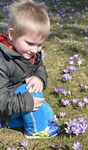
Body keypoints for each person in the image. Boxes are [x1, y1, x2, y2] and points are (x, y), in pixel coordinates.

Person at [0, 0, 60, 138]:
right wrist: (26, 102)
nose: (35, 50)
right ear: (12, 34)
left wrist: (39, 77)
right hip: (4, 106)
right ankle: (35, 130)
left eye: (40, 45)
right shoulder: (2, 61)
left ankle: (15, 120)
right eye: (30, 43)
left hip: (16, 100)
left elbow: (40, 67)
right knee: (33, 96)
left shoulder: (30, 51)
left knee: (49, 115)